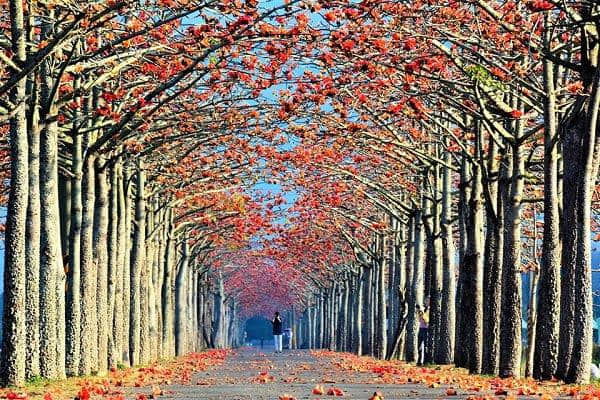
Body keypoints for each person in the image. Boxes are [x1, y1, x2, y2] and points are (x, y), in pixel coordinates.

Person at [417, 301, 429, 366]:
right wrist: (420, 312)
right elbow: (419, 319)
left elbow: (426, 321)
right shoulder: (421, 313)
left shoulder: (428, 312)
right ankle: (419, 361)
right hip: (421, 329)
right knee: (419, 346)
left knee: (425, 346)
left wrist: (423, 314)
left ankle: (425, 361)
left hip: (426, 330)